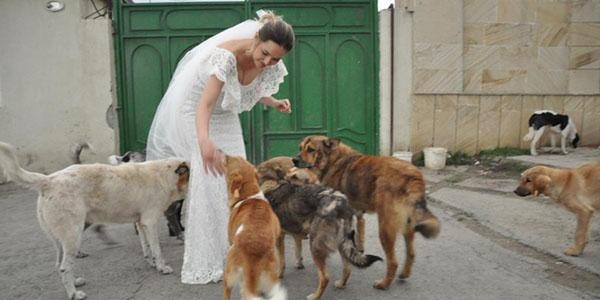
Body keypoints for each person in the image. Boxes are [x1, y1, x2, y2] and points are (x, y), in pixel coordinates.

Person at [145, 11, 295, 284]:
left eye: (276, 59)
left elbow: (248, 87)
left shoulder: (267, 62)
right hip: (197, 114)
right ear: (256, 38)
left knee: (242, 176)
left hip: (224, 115)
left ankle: (238, 247)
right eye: (265, 54)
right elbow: (205, 104)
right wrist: (204, 142)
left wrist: (274, 102)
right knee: (210, 180)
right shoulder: (224, 57)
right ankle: (208, 259)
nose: (268, 62)